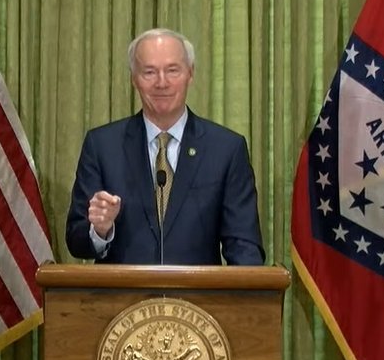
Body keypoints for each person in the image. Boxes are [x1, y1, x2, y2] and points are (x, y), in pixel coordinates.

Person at [65, 28, 265, 265]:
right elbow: (76, 241)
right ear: (133, 79)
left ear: (190, 74)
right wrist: (100, 230)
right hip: (123, 300)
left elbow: (245, 248)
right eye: (149, 72)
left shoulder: (226, 149)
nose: (162, 82)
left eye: (172, 70)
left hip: (197, 300)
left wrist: (245, 297)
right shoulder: (102, 146)